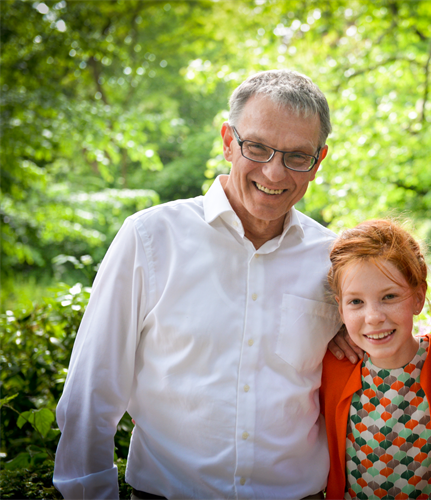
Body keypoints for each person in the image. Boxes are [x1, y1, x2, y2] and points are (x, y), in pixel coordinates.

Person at [53, 69, 343, 500]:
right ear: (228, 141)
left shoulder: (334, 259)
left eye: (297, 156)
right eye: (257, 147)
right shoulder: (150, 239)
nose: (274, 172)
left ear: (318, 162)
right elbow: (92, 393)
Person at [320, 220, 431, 499]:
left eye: (389, 296)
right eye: (356, 302)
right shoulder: (332, 368)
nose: (373, 317)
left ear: (418, 298)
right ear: (340, 309)